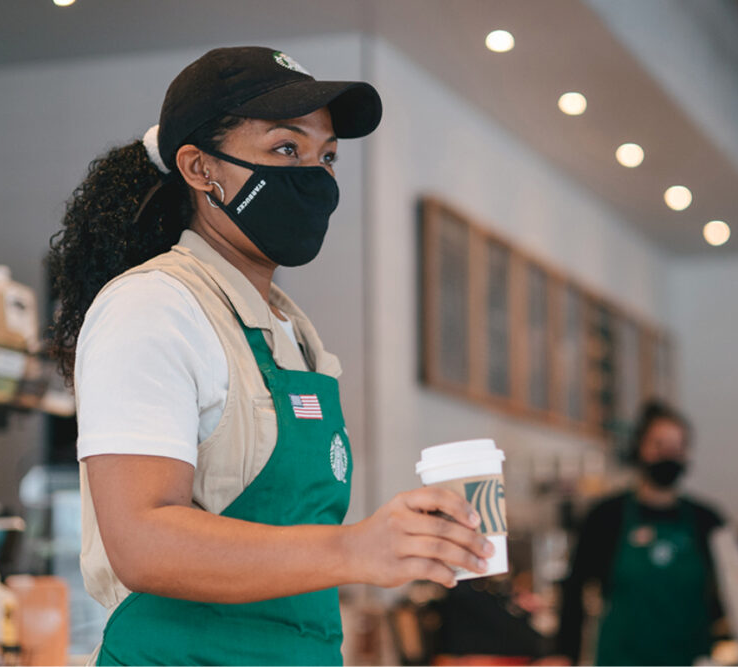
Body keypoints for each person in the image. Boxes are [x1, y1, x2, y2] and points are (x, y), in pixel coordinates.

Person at [48, 46, 493, 666]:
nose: (315, 175)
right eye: (287, 149)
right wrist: (358, 549)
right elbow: (142, 540)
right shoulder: (152, 308)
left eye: (328, 156)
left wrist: (403, 540)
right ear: (201, 169)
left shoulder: (291, 331)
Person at [557, 401, 725, 666]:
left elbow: (727, 594)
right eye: (659, 445)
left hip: (689, 658)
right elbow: (574, 587)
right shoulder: (605, 517)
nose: (668, 455)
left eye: (676, 447)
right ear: (639, 448)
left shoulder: (709, 522)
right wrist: (565, 653)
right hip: (622, 658)